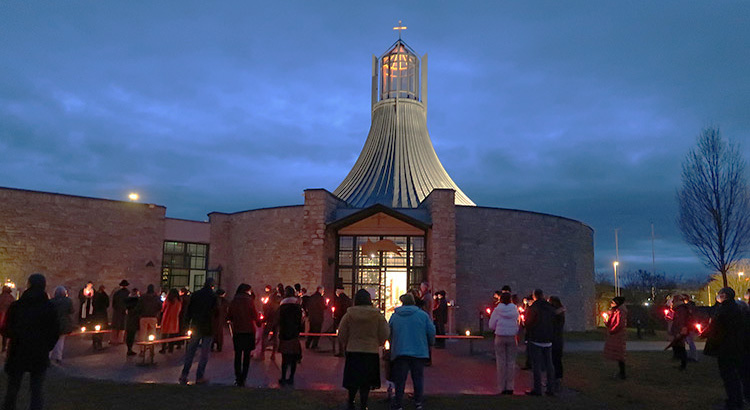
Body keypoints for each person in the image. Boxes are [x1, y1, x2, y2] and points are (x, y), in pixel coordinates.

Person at [1, 273, 59, 410]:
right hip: (39, 352)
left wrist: (15, 337)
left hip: (18, 351)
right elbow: (54, 331)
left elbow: (6, 328)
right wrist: (47, 346)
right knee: (36, 389)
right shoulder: (49, 308)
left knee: (13, 387)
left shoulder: (17, 306)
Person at [339, 289, 389, 410]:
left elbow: (341, 332)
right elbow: (385, 332)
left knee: (353, 379)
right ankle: (364, 403)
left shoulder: (349, 315)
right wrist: (379, 342)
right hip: (370, 350)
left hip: (353, 350)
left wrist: (347, 342)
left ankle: (351, 401)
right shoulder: (377, 315)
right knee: (366, 381)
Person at [389, 293, 435, 410]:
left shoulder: (395, 316)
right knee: (418, 378)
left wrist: (392, 344)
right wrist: (430, 343)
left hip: (400, 351)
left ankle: (398, 403)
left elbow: (389, 332)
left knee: (400, 379)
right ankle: (418, 402)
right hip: (418, 351)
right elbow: (431, 331)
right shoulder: (423, 316)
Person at [704, 287, 744, 410]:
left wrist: (707, 334)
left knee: (728, 375)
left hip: (726, 347)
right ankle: (738, 400)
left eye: (719, 294)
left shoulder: (725, 310)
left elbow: (718, 328)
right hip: (736, 346)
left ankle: (733, 402)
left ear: (724, 296)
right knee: (734, 375)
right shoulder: (736, 308)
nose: (718, 296)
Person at [179, 278, 217, 385]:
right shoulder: (213, 296)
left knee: (191, 351)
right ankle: (199, 376)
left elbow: (189, 310)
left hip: (196, 325)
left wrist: (186, 324)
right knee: (204, 353)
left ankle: (184, 374)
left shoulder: (195, 295)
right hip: (208, 326)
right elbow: (216, 312)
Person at [227, 284, 260, 387]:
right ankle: (244, 377)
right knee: (246, 356)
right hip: (248, 330)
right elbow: (254, 315)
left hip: (237, 330)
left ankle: (238, 377)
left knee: (237, 355)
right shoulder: (249, 301)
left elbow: (229, 315)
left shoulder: (234, 301)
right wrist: (258, 322)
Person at [525, 289, 556, 396]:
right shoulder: (550, 307)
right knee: (549, 364)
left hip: (536, 338)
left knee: (536, 365)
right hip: (548, 338)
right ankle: (550, 388)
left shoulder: (533, 307)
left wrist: (529, 330)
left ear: (534, 296)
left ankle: (537, 389)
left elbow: (528, 322)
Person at [488, 291, 519, 395]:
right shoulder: (514, 310)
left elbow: (491, 325)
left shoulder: (497, 310)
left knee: (501, 362)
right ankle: (510, 386)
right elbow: (518, 322)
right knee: (511, 362)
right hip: (512, 336)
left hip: (500, 336)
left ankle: (502, 387)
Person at [278, 286, 303, 386]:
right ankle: (291, 377)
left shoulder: (282, 307)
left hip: (285, 334)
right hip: (294, 334)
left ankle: (283, 377)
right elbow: (300, 320)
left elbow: (280, 320)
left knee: (285, 358)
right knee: (293, 358)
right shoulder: (297, 306)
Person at [604, 296, 628, 380]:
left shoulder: (621, 312)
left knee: (620, 354)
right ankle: (621, 373)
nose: (611, 304)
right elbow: (609, 323)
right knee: (618, 354)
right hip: (615, 335)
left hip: (618, 335)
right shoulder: (614, 311)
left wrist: (612, 330)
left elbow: (619, 324)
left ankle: (622, 373)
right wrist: (606, 318)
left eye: (613, 302)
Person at [49, 286, 74, 364]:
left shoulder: (51, 301)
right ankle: (58, 357)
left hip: (53, 322)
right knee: (60, 341)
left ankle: (48, 357)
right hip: (64, 322)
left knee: (51, 340)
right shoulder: (68, 301)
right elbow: (71, 311)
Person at [669, 294, 691, 371]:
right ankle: (681, 363)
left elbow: (681, 321)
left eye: (673, 301)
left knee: (681, 347)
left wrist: (680, 331)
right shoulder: (680, 309)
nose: (672, 302)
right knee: (678, 346)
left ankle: (683, 365)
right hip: (679, 330)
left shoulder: (681, 309)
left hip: (680, 331)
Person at [549, 296, 565, 392]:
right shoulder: (560, 313)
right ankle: (558, 377)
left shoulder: (556, 314)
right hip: (558, 339)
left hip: (554, 339)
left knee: (554, 359)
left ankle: (556, 378)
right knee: (557, 360)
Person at [160, 288, 182, 353]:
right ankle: (170, 348)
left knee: (164, 334)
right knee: (172, 335)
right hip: (175, 318)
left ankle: (163, 348)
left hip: (167, 318)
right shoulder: (179, 301)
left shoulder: (168, 300)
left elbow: (163, 308)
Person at [333, 287, 352, 356]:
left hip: (340, 319)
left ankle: (341, 351)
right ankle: (346, 350)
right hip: (347, 319)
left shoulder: (339, 300)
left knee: (340, 335)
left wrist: (335, 316)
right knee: (347, 335)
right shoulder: (348, 299)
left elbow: (337, 310)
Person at [110, 280, 129, 345]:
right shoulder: (128, 293)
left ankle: (113, 339)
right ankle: (120, 340)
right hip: (124, 311)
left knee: (115, 325)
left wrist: (115, 308)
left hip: (117, 311)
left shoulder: (117, 293)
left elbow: (113, 303)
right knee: (122, 326)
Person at [91, 285, 109, 350]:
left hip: (95, 315)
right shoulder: (105, 295)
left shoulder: (95, 295)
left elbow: (93, 303)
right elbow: (107, 304)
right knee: (101, 330)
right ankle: (99, 343)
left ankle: (94, 342)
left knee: (94, 329)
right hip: (102, 315)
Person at [125, 288, 140, 356]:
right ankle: (130, 349)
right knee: (132, 334)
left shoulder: (127, 300)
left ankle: (129, 348)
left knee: (129, 334)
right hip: (135, 318)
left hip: (129, 318)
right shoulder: (137, 300)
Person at [0, 285, 16, 352]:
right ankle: (4, 347)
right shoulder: (11, 298)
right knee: (4, 333)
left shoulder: (1, 297)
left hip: (1, 315)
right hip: (7, 317)